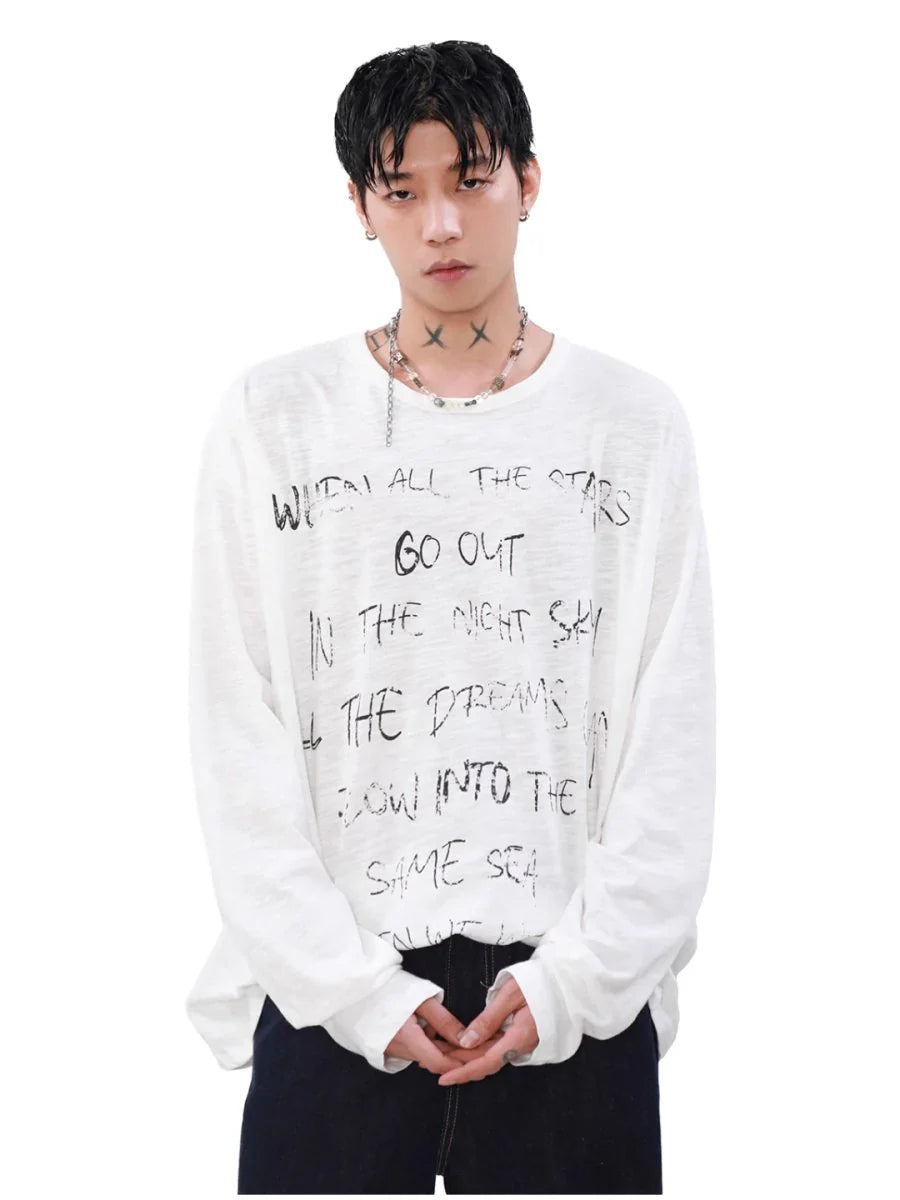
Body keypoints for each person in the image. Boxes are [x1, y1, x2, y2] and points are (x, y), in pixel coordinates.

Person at [184, 38, 716, 1196]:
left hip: (569, 993)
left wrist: (576, 982)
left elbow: (671, 741)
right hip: (331, 994)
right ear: (359, 205)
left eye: (470, 180)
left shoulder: (630, 426)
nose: (439, 224)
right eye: (401, 190)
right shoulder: (277, 420)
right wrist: (352, 989)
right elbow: (236, 733)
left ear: (529, 181)